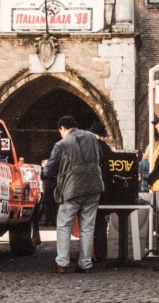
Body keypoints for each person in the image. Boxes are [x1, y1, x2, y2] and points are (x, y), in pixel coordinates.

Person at [43, 116, 104, 274]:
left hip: (72, 189)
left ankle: (62, 263)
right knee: (87, 227)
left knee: (64, 225)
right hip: (93, 187)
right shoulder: (92, 137)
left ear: (62, 128)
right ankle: (85, 264)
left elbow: (49, 169)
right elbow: (100, 157)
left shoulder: (61, 144)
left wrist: (45, 171)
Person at [89, 121, 113, 262]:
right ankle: (101, 253)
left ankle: (92, 254)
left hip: (93, 188)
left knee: (90, 223)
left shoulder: (93, 146)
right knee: (101, 223)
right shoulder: (107, 148)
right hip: (106, 189)